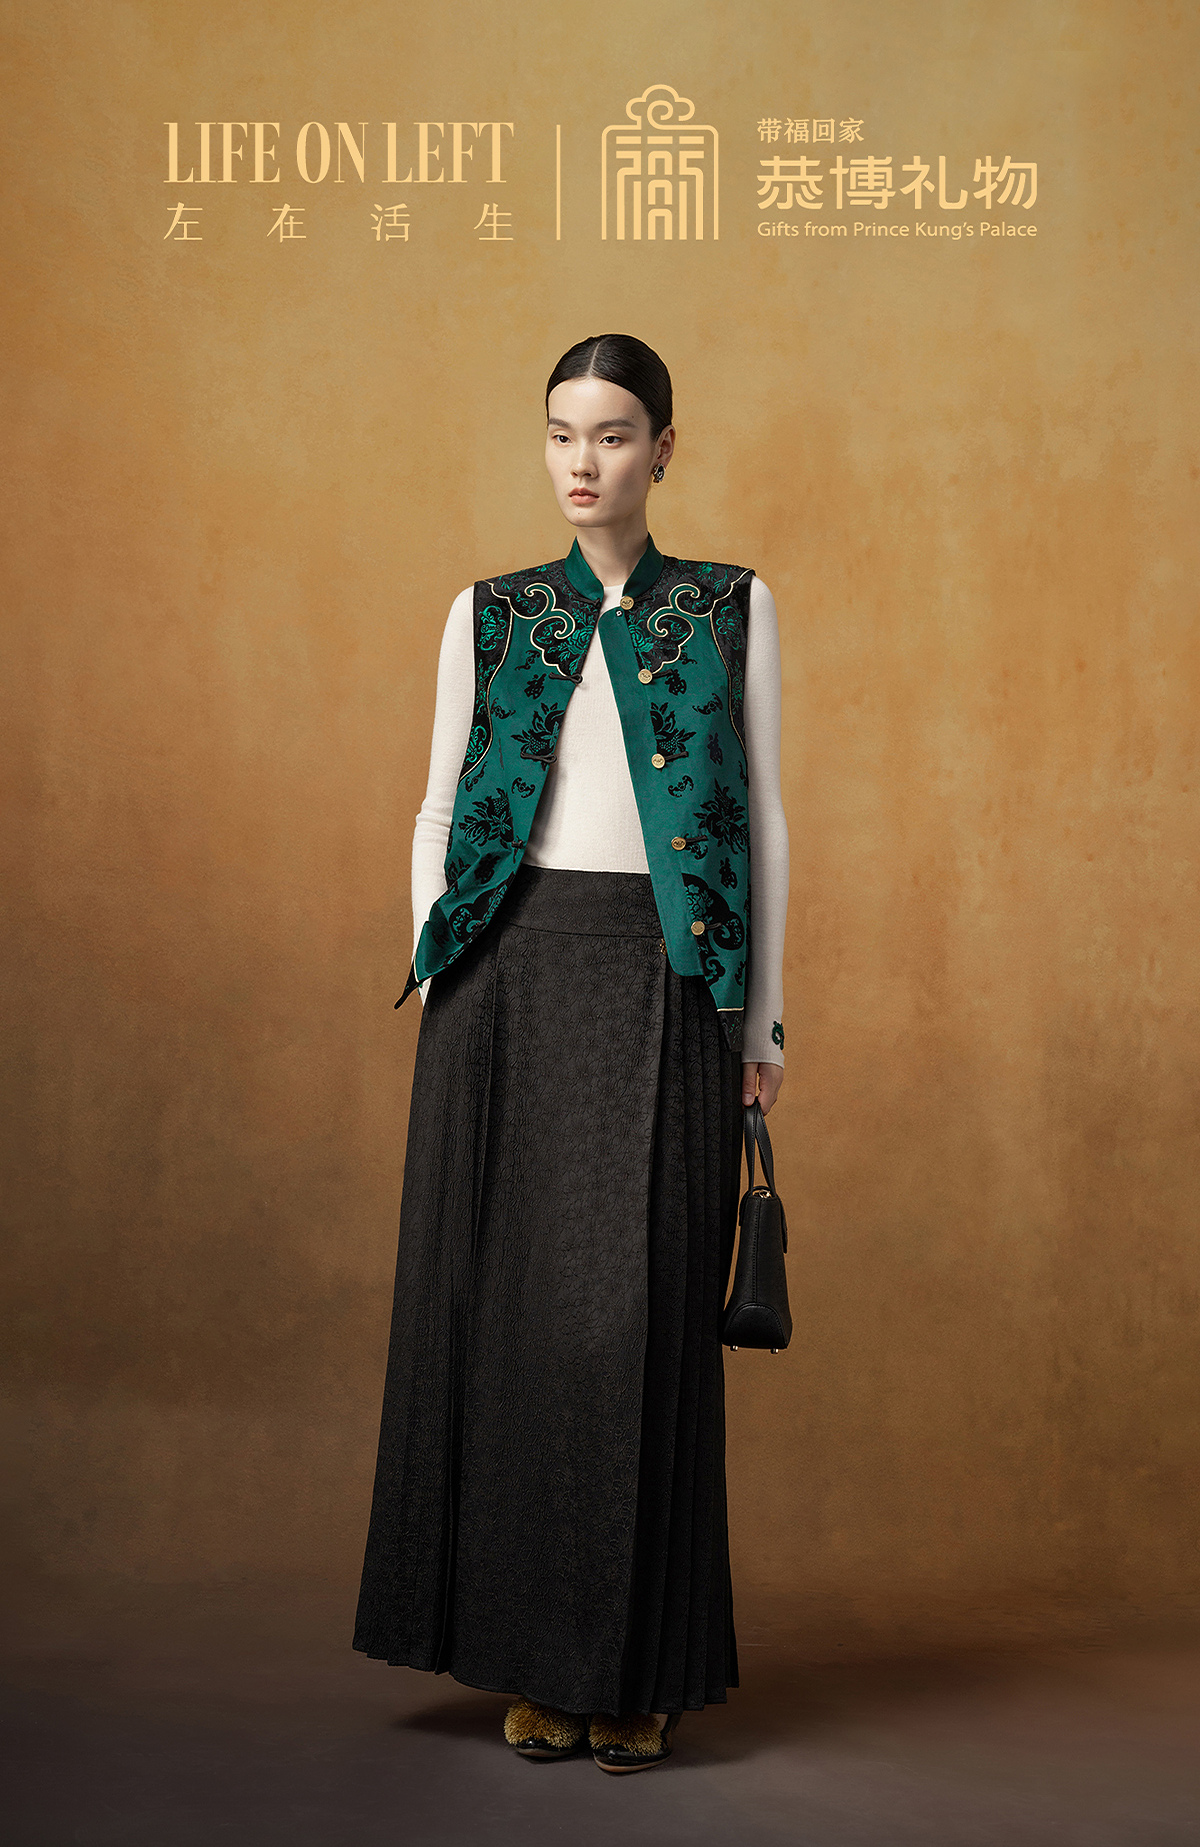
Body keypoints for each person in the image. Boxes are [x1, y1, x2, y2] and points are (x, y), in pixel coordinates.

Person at [353, 333, 788, 1774]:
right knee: (519, 1321)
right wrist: (440, 959)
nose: (581, 462)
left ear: (664, 448)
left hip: (669, 979)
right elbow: (438, 804)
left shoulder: (729, 603)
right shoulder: (488, 611)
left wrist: (762, 1019)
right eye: (560, 434)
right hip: (505, 976)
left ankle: (633, 1671)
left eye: (610, 434)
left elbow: (763, 816)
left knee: (638, 1322)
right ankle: (534, 1660)